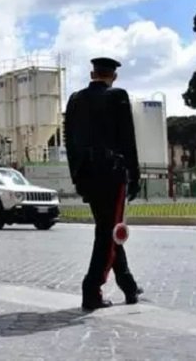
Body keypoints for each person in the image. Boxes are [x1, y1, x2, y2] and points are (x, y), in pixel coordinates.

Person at [64, 57, 144, 311]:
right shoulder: (118, 96)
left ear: (92, 73)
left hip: (86, 174)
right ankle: (92, 289)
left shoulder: (75, 99)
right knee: (108, 233)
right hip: (111, 173)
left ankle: (128, 285)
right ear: (114, 76)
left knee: (108, 228)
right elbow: (127, 138)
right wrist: (134, 175)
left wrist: (76, 175)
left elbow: (69, 141)